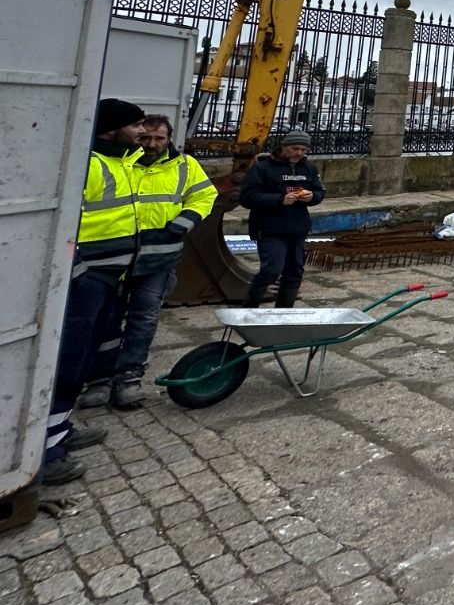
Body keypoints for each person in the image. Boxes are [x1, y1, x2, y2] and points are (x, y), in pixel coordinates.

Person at [79, 115, 218, 410]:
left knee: (143, 318)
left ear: (169, 139)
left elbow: (204, 195)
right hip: (115, 258)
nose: (152, 144)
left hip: (159, 256)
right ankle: (99, 379)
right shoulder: (123, 164)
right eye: (146, 138)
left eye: (160, 139)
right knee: (106, 320)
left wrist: (183, 223)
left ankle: (129, 377)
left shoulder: (185, 165)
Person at [41, 98, 146, 486]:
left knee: (82, 357)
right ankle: (45, 453)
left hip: (111, 275)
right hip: (87, 278)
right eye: (135, 125)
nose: (141, 131)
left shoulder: (123, 161)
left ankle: (59, 431)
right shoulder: (89, 163)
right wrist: (79, 268)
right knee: (66, 358)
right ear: (112, 127)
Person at [239, 129, 324, 308]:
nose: (299, 153)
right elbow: (247, 197)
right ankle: (249, 308)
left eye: (303, 149)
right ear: (283, 147)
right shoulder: (263, 168)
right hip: (270, 228)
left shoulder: (309, 168)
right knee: (271, 270)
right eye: (295, 148)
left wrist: (312, 197)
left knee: (294, 272)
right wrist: (279, 200)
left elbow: (319, 192)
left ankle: (284, 312)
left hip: (298, 228)